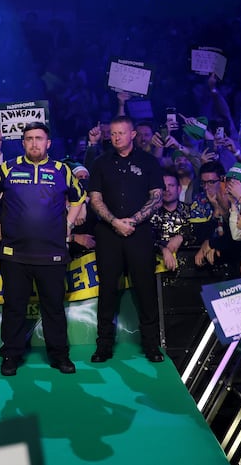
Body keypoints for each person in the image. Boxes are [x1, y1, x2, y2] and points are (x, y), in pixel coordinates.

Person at [0, 122, 85, 376]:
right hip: (14, 253)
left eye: (39, 138)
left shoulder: (62, 169)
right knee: (14, 307)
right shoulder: (8, 168)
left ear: (48, 143)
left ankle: (59, 356)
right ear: (23, 142)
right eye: (29, 138)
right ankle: (11, 356)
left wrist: (69, 224)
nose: (34, 143)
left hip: (53, 252)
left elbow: (79, 197)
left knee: (54, 308)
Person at [87, 115, 165, 362]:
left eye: (121, 133)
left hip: (139, 232)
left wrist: (133, 221)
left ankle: (151, 345)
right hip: (108, 233)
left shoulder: (149, 161)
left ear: (132, 134)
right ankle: (103, 346)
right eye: (113, 133)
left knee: (145, 289)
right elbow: (95, 198)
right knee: (108, 290)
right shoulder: (100, 162)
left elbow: (157, 197)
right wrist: (114, 222)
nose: (116, 137)